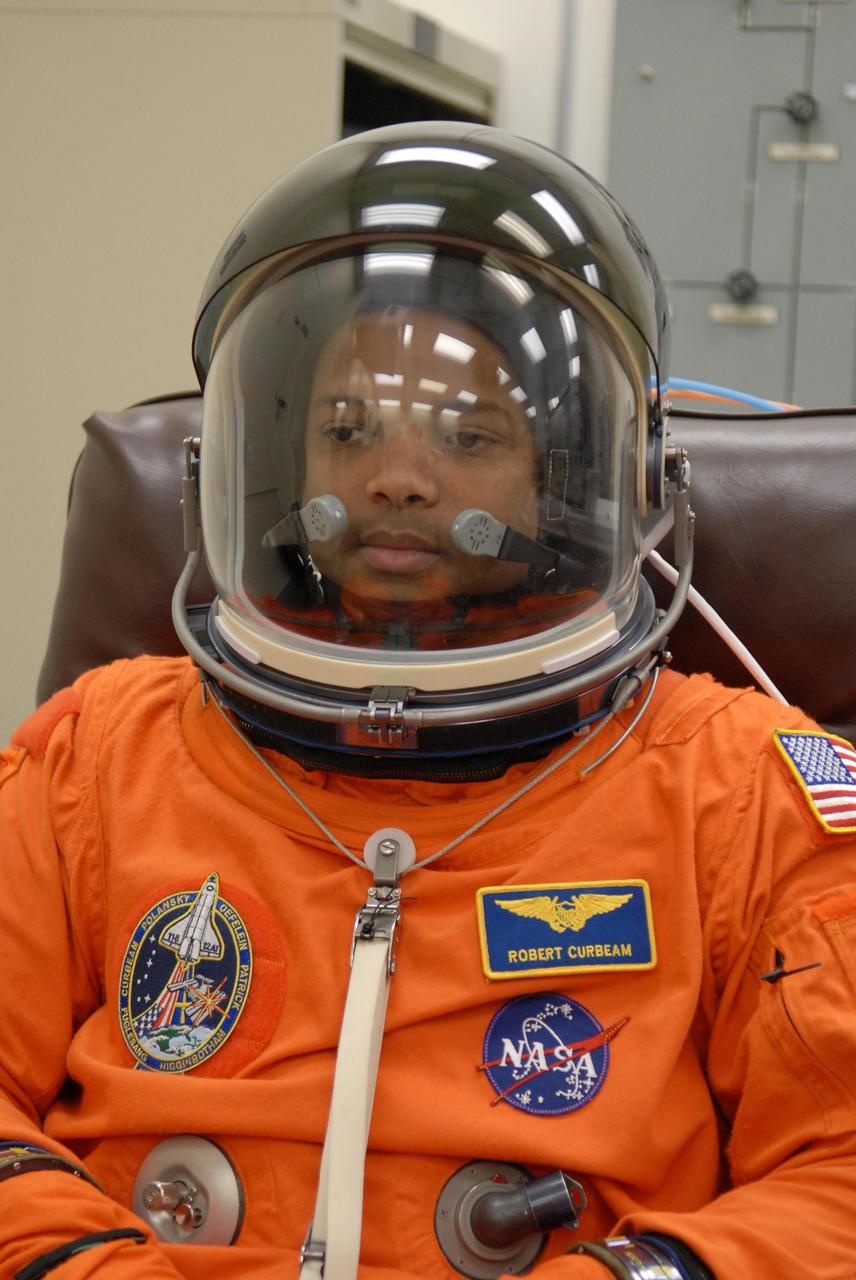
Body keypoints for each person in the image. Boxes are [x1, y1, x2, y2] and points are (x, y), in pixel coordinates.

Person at [1, 121, 854, 1280]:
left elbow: (838, 1164)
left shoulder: (741, 790)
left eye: (468, 434)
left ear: (581, 476)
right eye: (345, 430)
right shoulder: (98, 758)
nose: (394, 477)